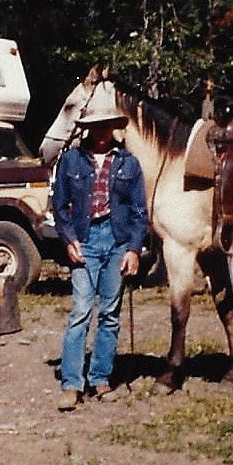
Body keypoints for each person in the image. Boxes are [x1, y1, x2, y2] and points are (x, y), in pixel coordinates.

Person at [52, 112, 148, 411]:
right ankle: (71, 384)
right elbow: (59, 207)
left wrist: (133, 249)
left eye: (107, 126)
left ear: (114, 128)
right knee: (81, 310)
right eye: (96, 126)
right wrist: (69, 240)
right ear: (88, 129)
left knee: (110, 313)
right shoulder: (71, 160)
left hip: (117, 241)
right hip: (85, 239)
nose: (102, 131)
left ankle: (101, 379)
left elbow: (139, 212)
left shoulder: (129, 162)